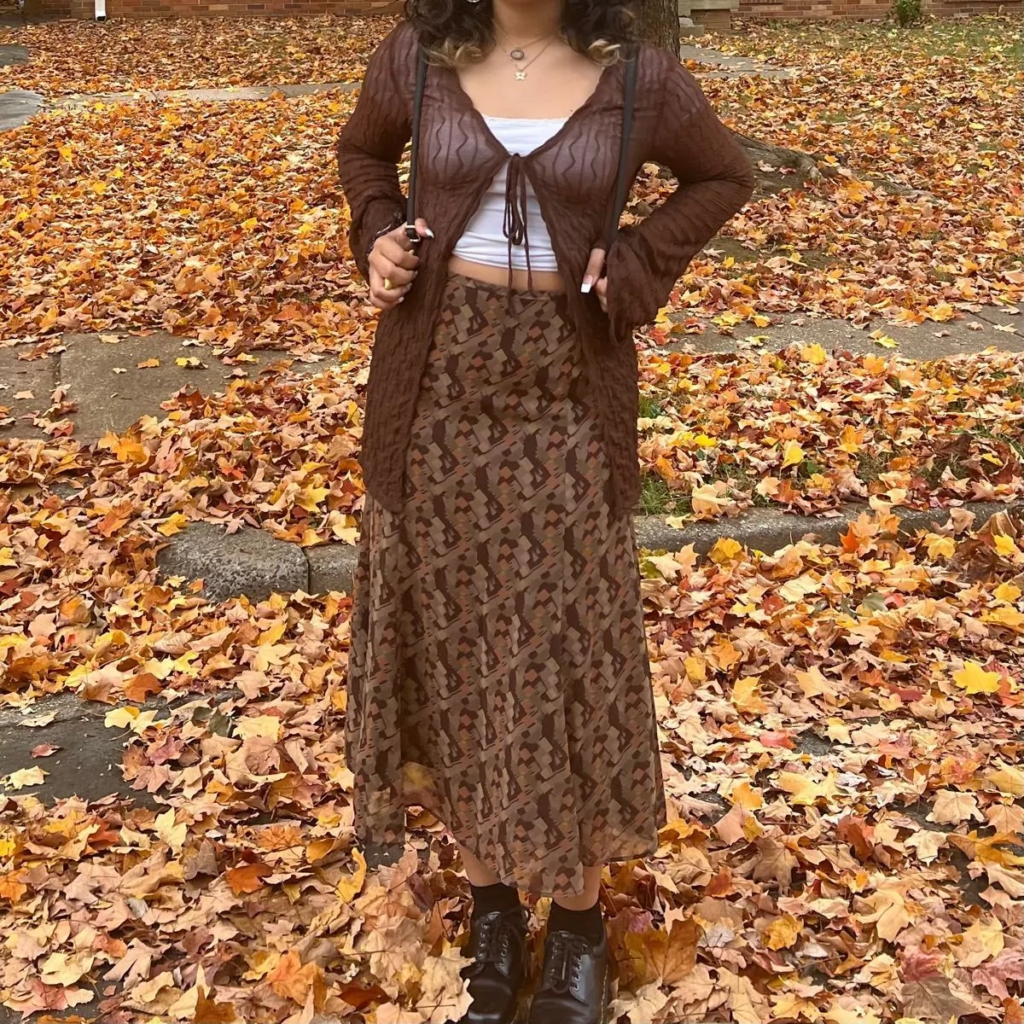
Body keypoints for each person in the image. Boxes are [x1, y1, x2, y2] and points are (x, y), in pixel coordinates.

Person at [337, 0, 754, 1019]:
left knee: (563, 652)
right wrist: (378, 232)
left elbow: (724, 175)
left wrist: (645, 257)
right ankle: (488, 907)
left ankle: (573, 921)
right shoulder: (418, 59)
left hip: (569, 395)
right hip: (433, 395)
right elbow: (360, 154)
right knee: (455, 652)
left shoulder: (640, 79)